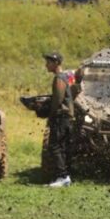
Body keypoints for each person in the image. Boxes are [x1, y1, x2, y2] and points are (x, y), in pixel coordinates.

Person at [42, 51, 75, 188]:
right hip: (66, 117)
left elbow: (58, 100)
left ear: (56, 63)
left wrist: (50, 114)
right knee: (61, 147)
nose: (46, 65)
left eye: (49, 62)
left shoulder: (59, 78)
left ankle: (62, 177)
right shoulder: (65, 77)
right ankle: (64, 176)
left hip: (61, 116)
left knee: (55, 146)